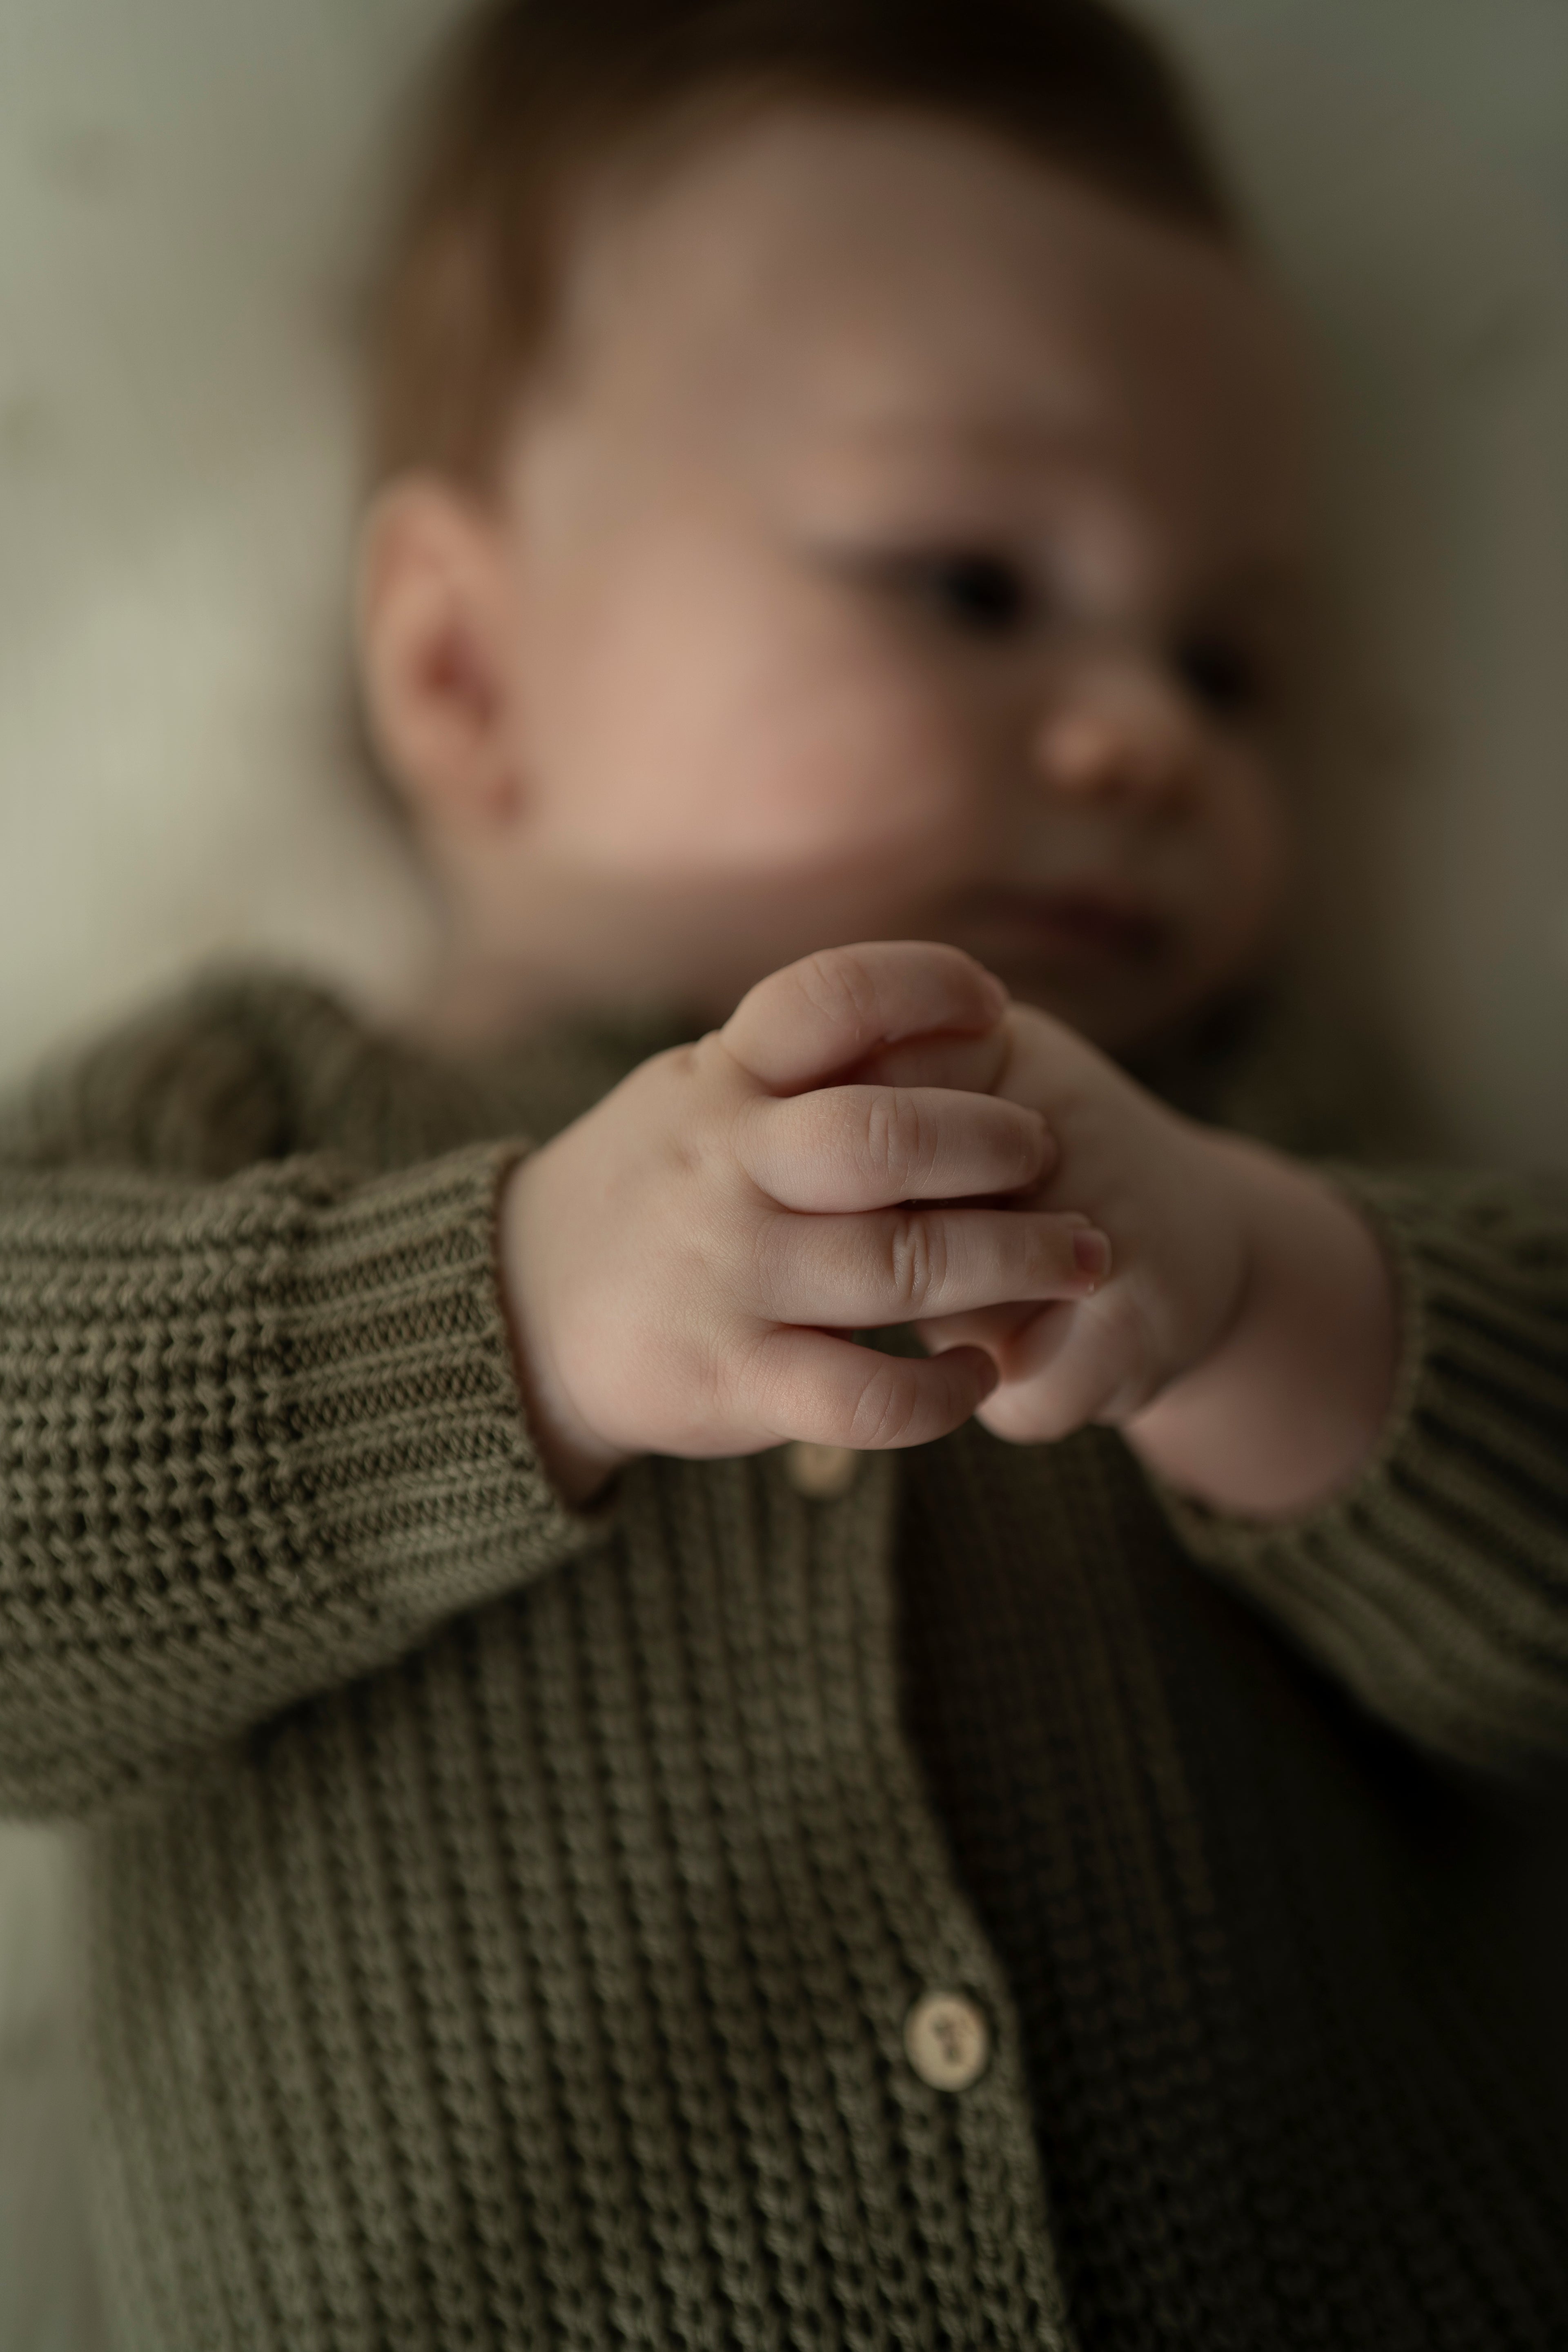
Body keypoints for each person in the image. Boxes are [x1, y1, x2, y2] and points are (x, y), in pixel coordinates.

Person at [1, 1, 1565, 2344]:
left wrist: (1261, 1303)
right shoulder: (260, 1106)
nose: (1145, 736)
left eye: (1230, 662)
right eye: (966, 582)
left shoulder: (1245, 1130)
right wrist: (507, 1313)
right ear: (461, 668)